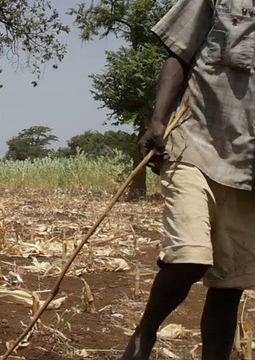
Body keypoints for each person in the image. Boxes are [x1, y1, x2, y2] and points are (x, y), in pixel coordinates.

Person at [123, 0, 255, 359]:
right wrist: (157, 120)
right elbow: (179, 51)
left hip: (249, 173)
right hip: (194, 143)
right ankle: (146, 331)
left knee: (228, 288)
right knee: (190, 258)